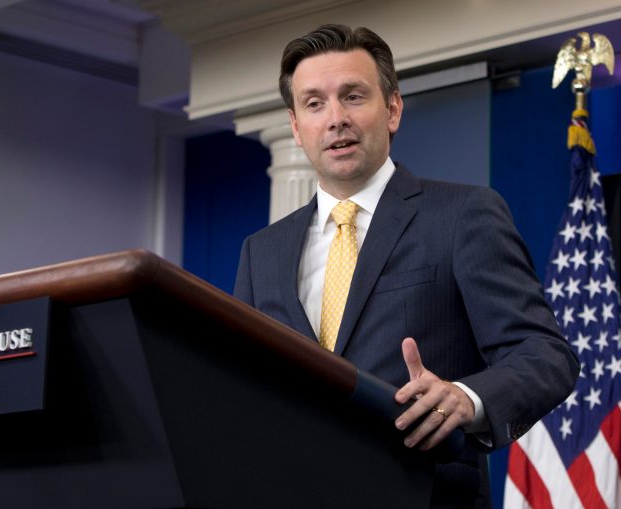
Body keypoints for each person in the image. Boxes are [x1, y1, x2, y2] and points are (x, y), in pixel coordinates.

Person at [233, 24, 579, 508]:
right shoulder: (260, 251)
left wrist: (466, 397)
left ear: (392, 108)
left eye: (353, 96)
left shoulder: (464, 215)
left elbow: (545, 355)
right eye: (314, 104)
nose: (336, 119)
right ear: (295, 126)